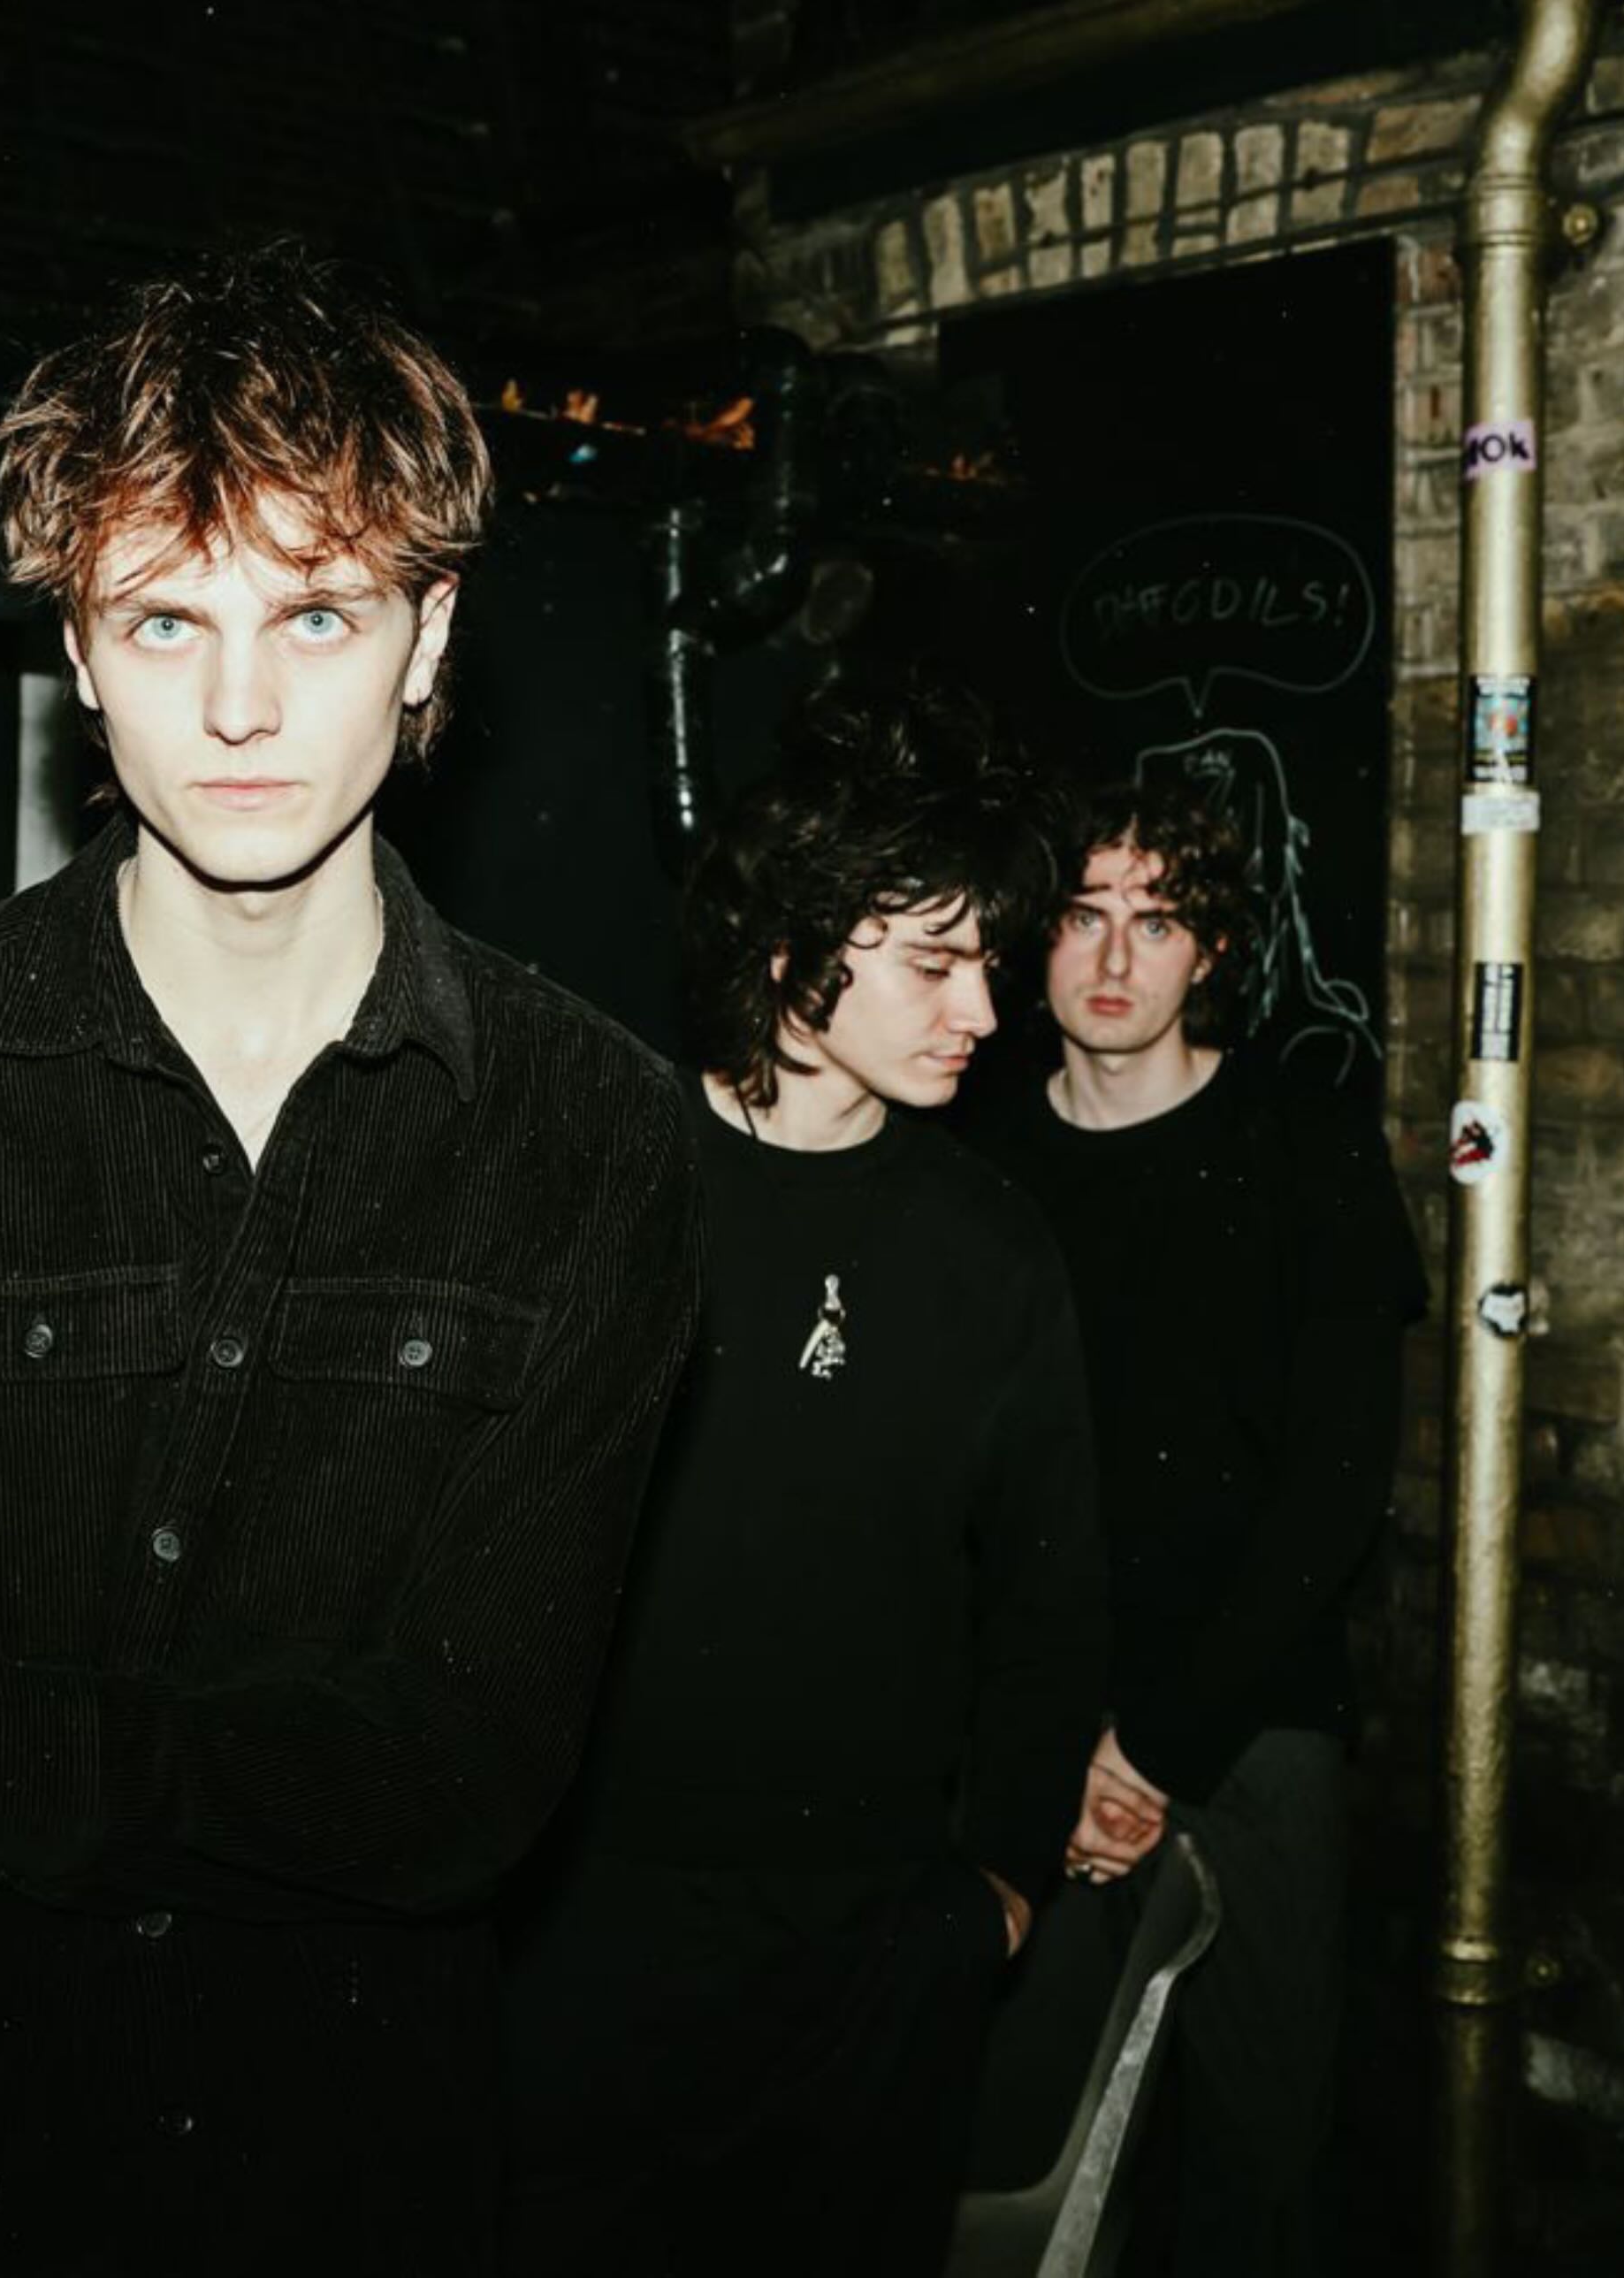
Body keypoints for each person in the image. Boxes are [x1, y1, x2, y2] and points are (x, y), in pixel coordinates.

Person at [0, 243, 701, 2274]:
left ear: (427, 637)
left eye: (316, 614)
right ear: (80, 648)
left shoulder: (593, 1132)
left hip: (346, 2188)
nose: (241, 707)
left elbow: (462, 1787)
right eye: (167, 619)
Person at [499, 684, 1108, 2278]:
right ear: (789, 947)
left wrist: (997, 1892)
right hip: (592, 1935)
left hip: (878, 1944)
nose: (983, 1011)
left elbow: (1054, 1598)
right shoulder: (605, 1180)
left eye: (990, 964)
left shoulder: (990, 1248)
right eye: (934, 964)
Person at [960, 776, 1427, 2278]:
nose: (1114, 958)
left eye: (1156, 922)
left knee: (1258, 2160)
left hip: (1249, 1715)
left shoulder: (1304, 1145)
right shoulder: (976, 1160)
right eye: (1083, 916)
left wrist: (1157, 1746)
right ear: (1032, 938)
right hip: (1028, 1727)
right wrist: (1049, 1739)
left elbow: (1334, 1491)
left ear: (1211, 948)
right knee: (1020, 2172)